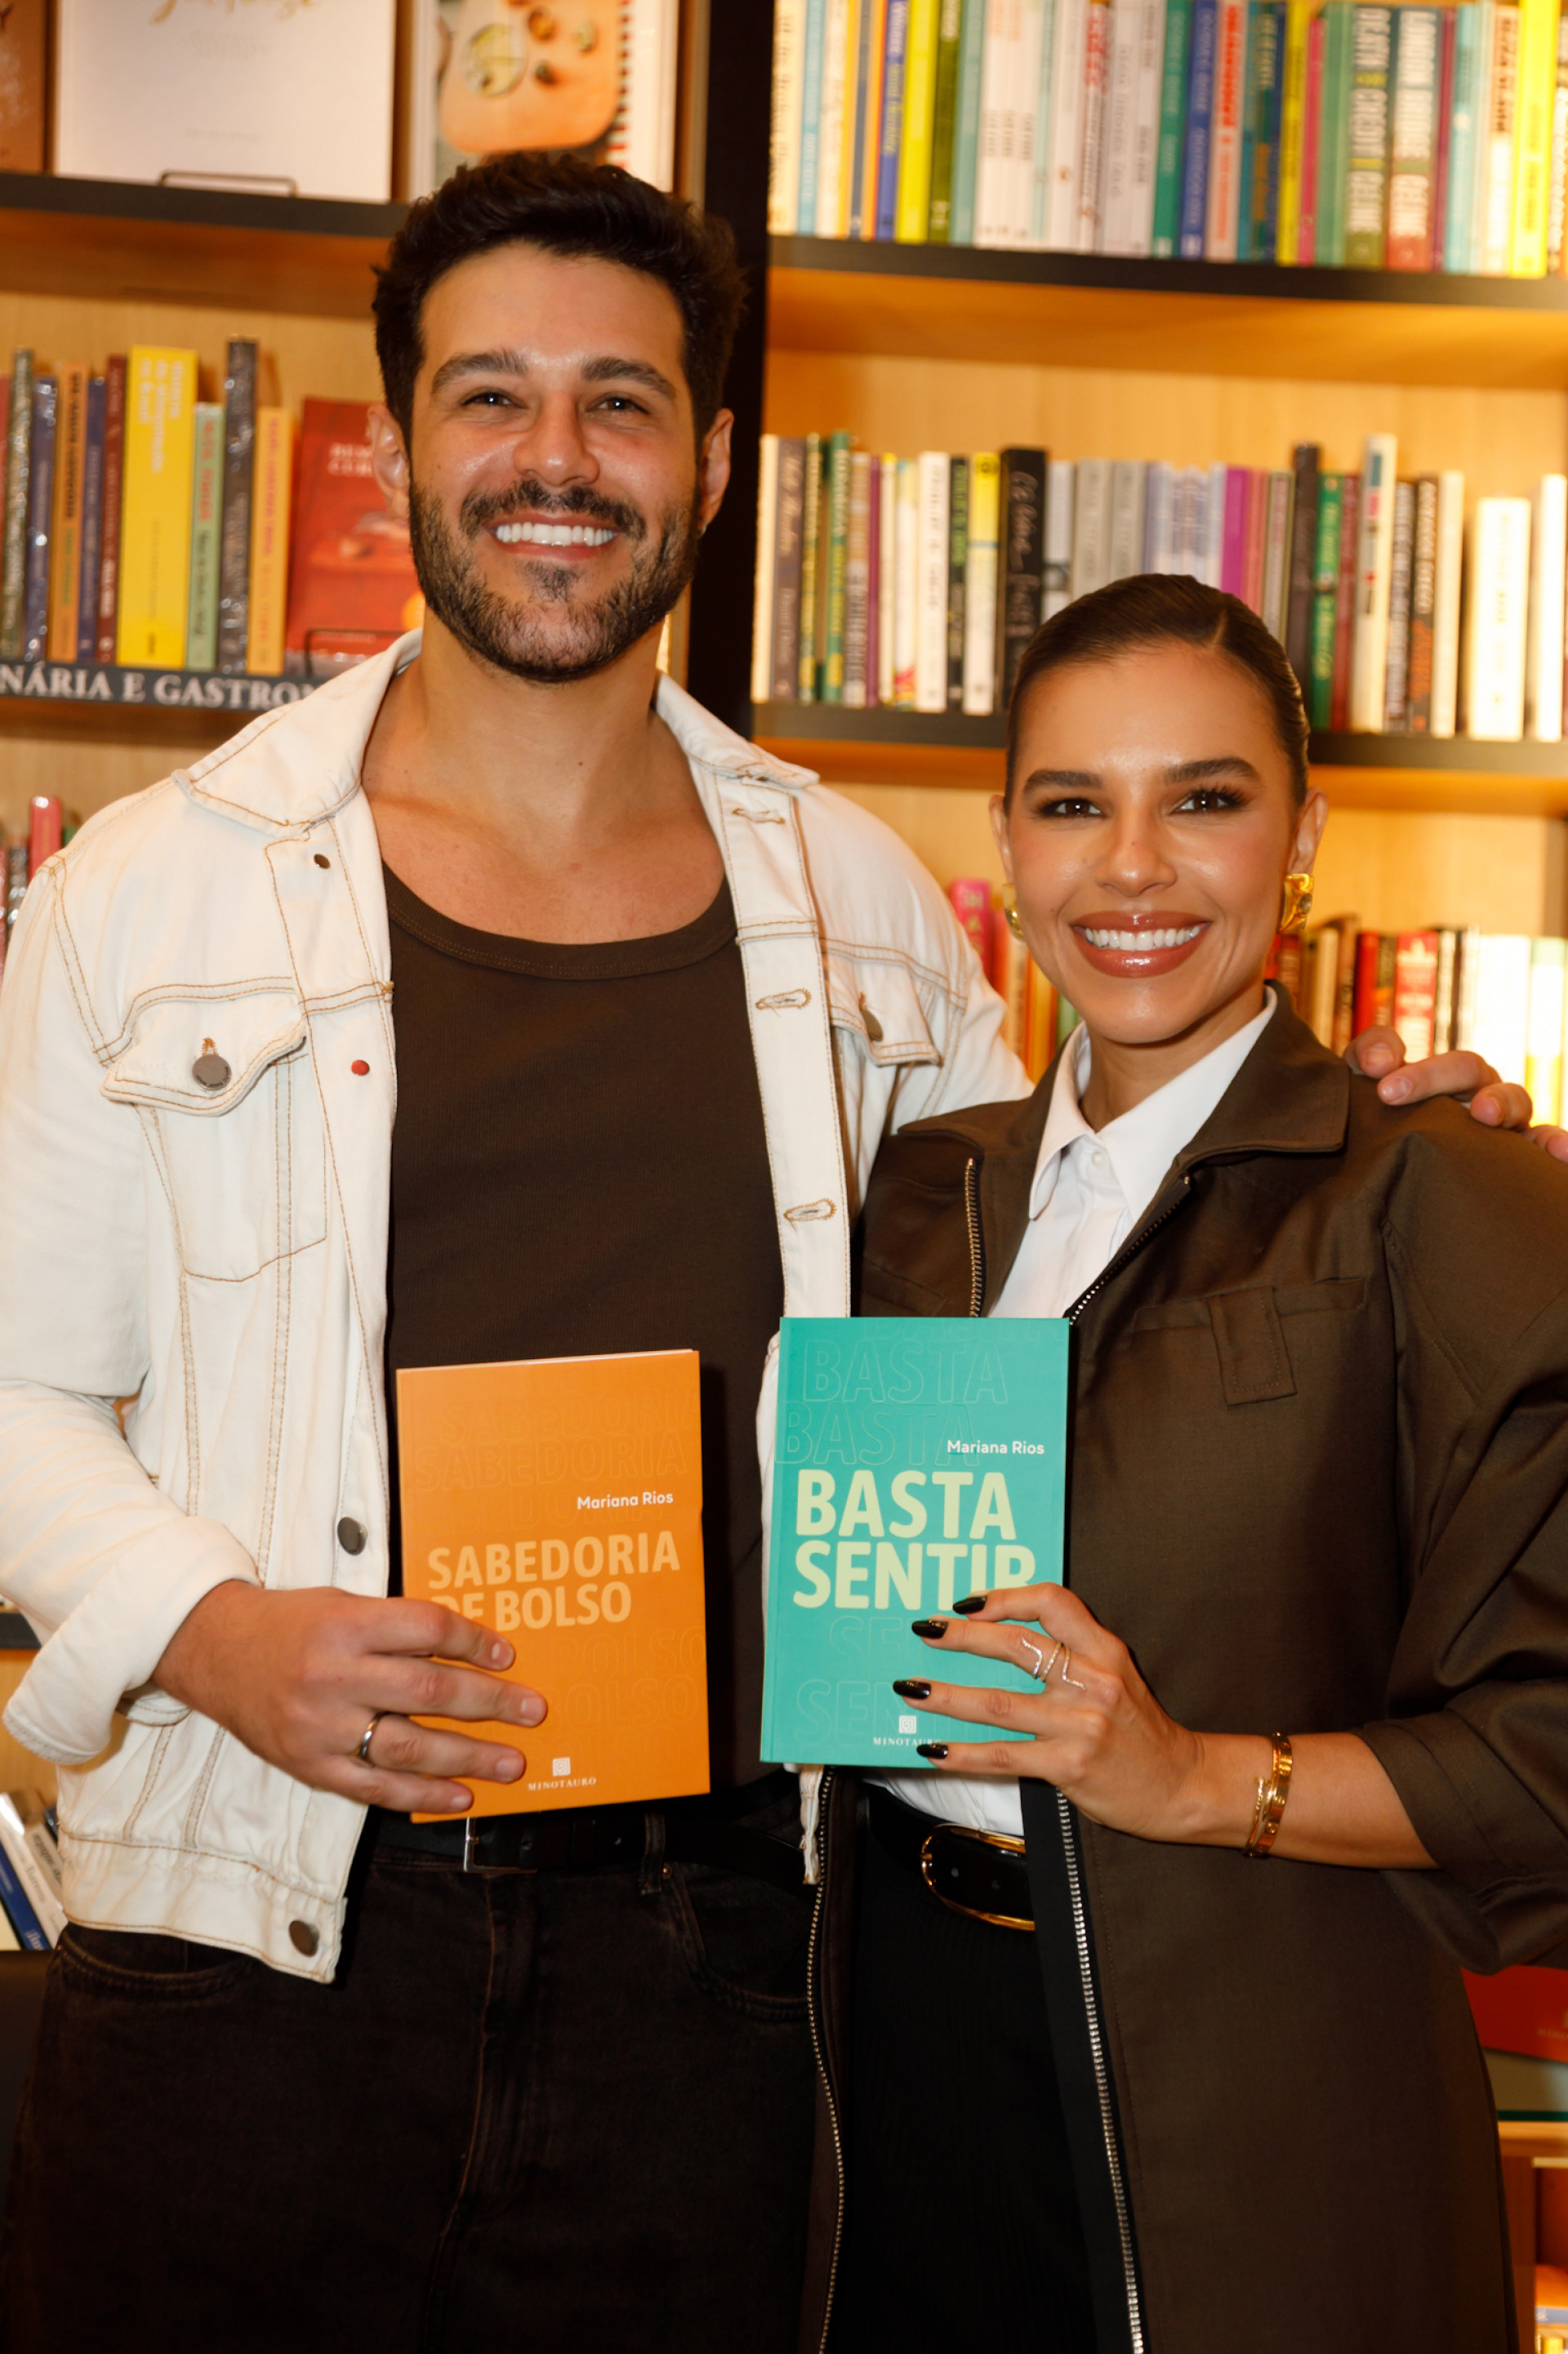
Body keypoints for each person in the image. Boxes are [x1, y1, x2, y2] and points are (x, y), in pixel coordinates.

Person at [0, 158, 1530, 2348]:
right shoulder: (151, 890)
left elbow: (1084, 1255)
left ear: (715, 462)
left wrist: (1366, 1128)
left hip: (718, 1970)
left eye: (619, 403)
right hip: (257, 1929)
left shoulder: (865, 909)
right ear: (403, 436)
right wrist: (217, 1630)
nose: (553, 458)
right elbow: (16, 1386)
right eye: (490, 396)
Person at [829, 570, 1568, 2354]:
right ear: (1006, 844)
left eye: (1205, 799)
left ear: (1301, 838)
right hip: (898, 2051)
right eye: (1074, 804)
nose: (1133, 868)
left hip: (1257, 2079)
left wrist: (1191, 1778)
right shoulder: (923, 1193)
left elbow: (1547, 1752)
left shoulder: (1450, 1190)